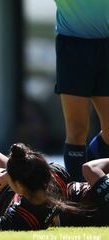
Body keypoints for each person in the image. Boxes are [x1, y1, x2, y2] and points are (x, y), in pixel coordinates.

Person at [53, 0, 109, 181]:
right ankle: (76, 193)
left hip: (106, 45)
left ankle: (90, 184)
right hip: (72, 46)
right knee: (77, 129)